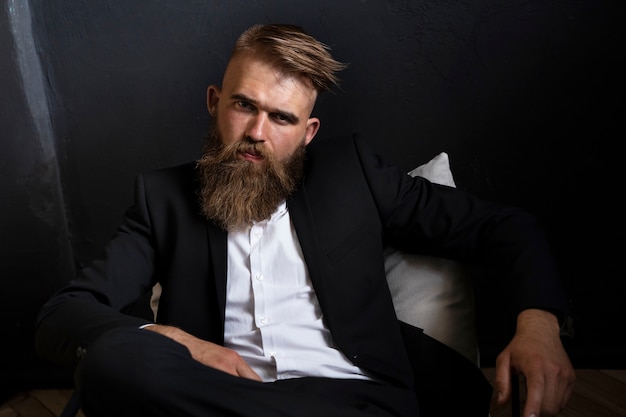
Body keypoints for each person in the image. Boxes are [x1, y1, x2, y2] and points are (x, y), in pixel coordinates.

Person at [35, 23, 575, 417]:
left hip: (350, 398)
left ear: (309, 132)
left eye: (281, 117)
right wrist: (181, 341)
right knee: (114, 361)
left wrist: (539, 326)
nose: (257, 133)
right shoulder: (163, 198)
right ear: (214, 102)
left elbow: (503, 227)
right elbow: (64, 314)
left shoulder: (354, 175)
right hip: (217, 395)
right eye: (244, 106)